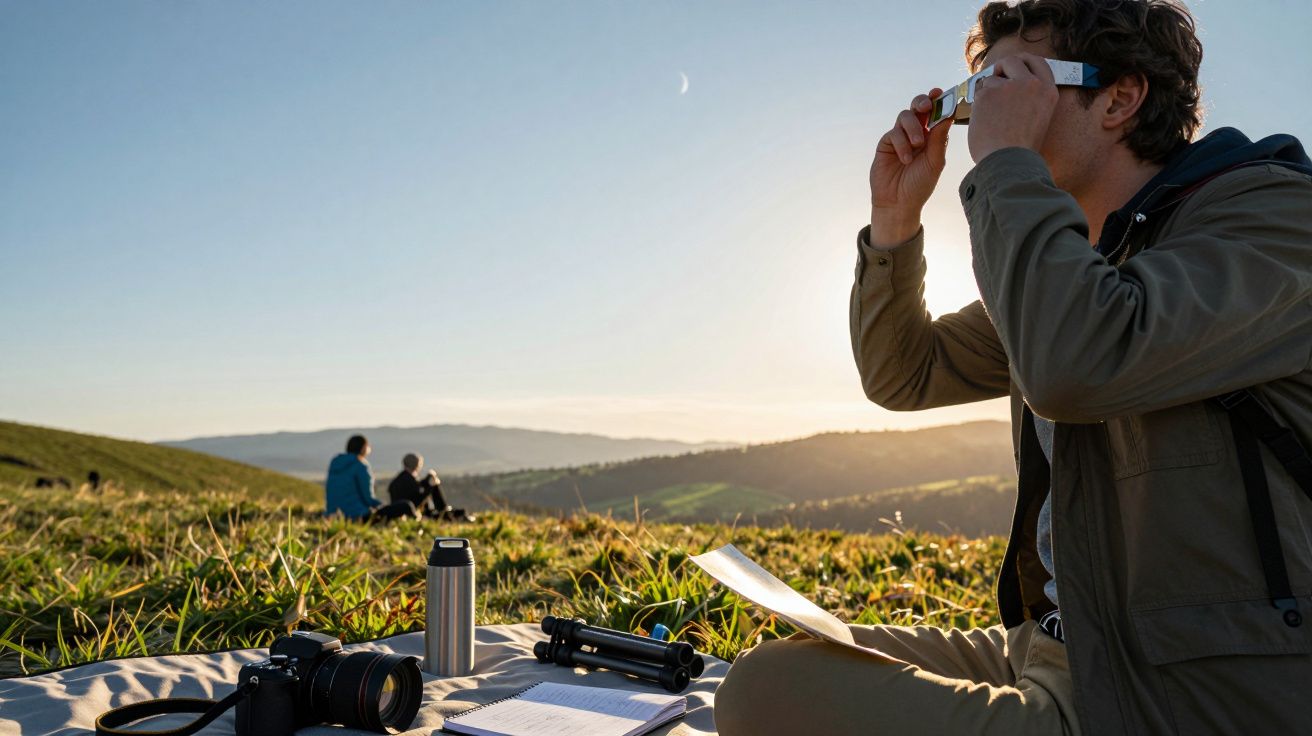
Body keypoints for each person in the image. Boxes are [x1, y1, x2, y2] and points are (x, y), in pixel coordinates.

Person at [714, 2, 1312, 735]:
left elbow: (1075, 367)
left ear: (1121, 98)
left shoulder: (1276, 219)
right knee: (789, 663)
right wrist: (895, 221)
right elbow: (905, 373)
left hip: (1193, 689)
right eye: (977, 98)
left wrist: (1006, 164)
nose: (983, 116)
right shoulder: (1080, 265)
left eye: (1009, 83)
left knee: (770, 694)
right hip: (1070, 647)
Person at [324, 434, 417, 523]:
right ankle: (417, 521)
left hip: (333, 515)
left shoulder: (335, 463)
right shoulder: (361, 465)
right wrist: (384, 506)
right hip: (358, 516)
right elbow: (368, 499)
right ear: (363, 448)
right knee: (406, 505)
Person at [387, 453, 475, 521]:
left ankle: (445, 510)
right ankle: (444, 510)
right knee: (433, 486)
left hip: (402, 511)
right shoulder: (409, 480)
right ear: (417, 466)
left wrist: (427, 480)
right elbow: (416, 501)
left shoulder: (399, 480)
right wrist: (431, 487)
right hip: (413, 513)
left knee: (432, 486)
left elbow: (415, 491)